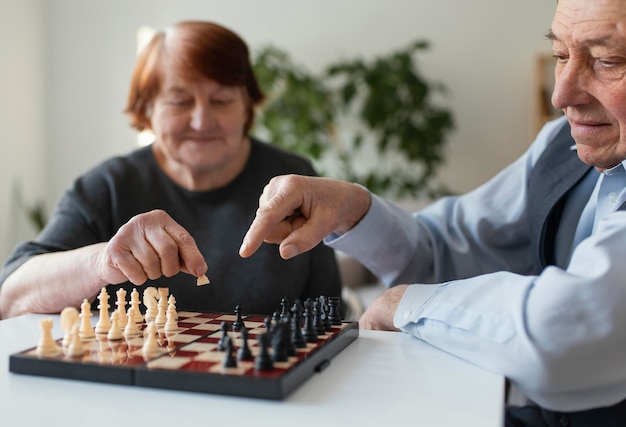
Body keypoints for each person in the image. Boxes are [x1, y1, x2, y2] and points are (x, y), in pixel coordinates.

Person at [239, 0, 626, 425]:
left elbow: (567, 338)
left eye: (608, 61)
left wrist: (405, 304)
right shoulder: (560, 145)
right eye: (560, 55)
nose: (561, 95)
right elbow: (445, 250)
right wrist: (353, 209)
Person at [0, 21, 341, 319]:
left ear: (247, 106)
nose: (202, 121)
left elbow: (330, 311)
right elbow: (10, 297)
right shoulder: (107, 186)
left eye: (221, 100)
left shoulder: (295, 179)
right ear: (147, 110)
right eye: (179, 102)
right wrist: (104, 260)